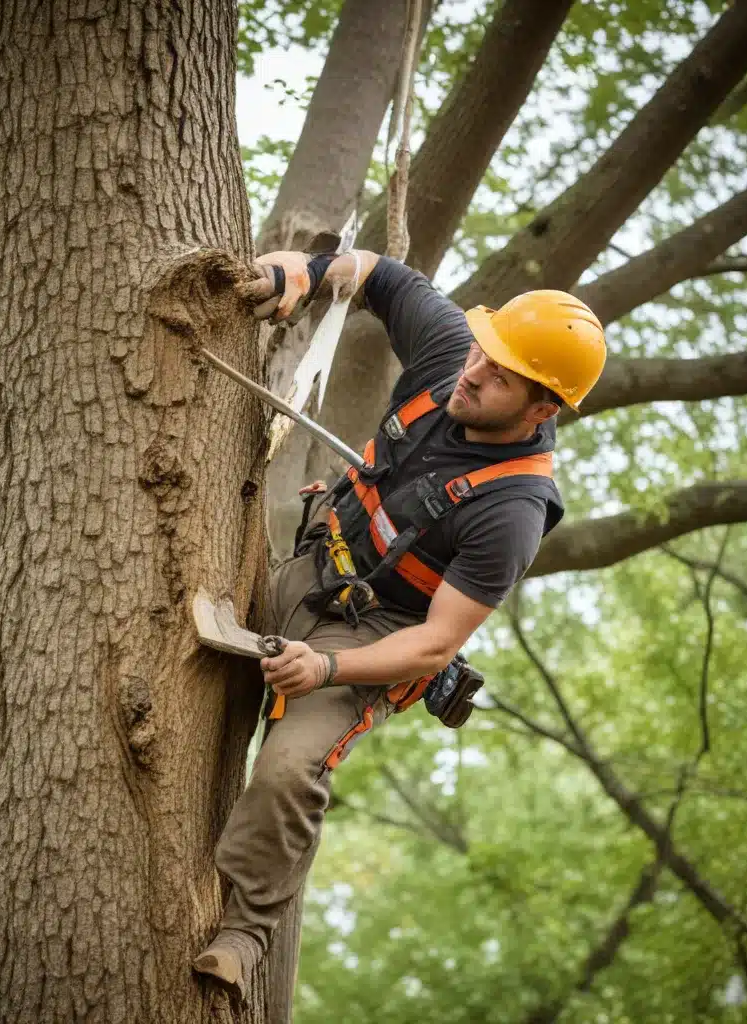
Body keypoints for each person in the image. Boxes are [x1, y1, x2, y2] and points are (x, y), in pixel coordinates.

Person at [193, 248, 607, 998]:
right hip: (304, 564)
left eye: (498, 378)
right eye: (483, 353)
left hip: (370, 639)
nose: (472, 374)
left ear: (542, 408)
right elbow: (380, 274)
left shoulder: (512, 511)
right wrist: (303, 275)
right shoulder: (458, 357)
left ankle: (247, 929)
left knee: (288, 767)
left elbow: (437, 642)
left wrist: (327, 669)